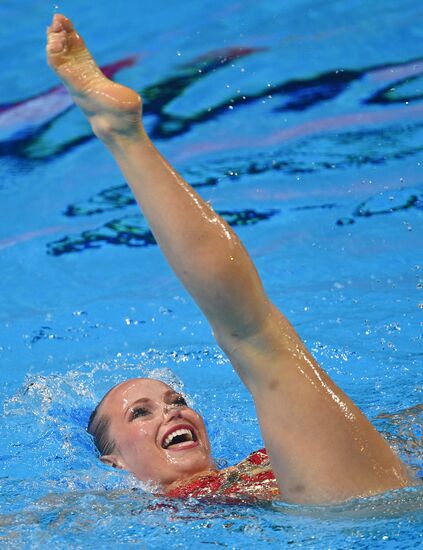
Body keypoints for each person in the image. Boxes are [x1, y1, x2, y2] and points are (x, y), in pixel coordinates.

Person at [46, 14, 412, 504]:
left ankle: (124, 136)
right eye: (141, 413)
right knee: (255, 335)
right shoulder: (145, 508)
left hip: (374, 491)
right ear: (113, 462)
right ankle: (124, 136)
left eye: (175, 401)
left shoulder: (266, 458)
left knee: (260, 338)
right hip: (339, 507)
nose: (171, 412)